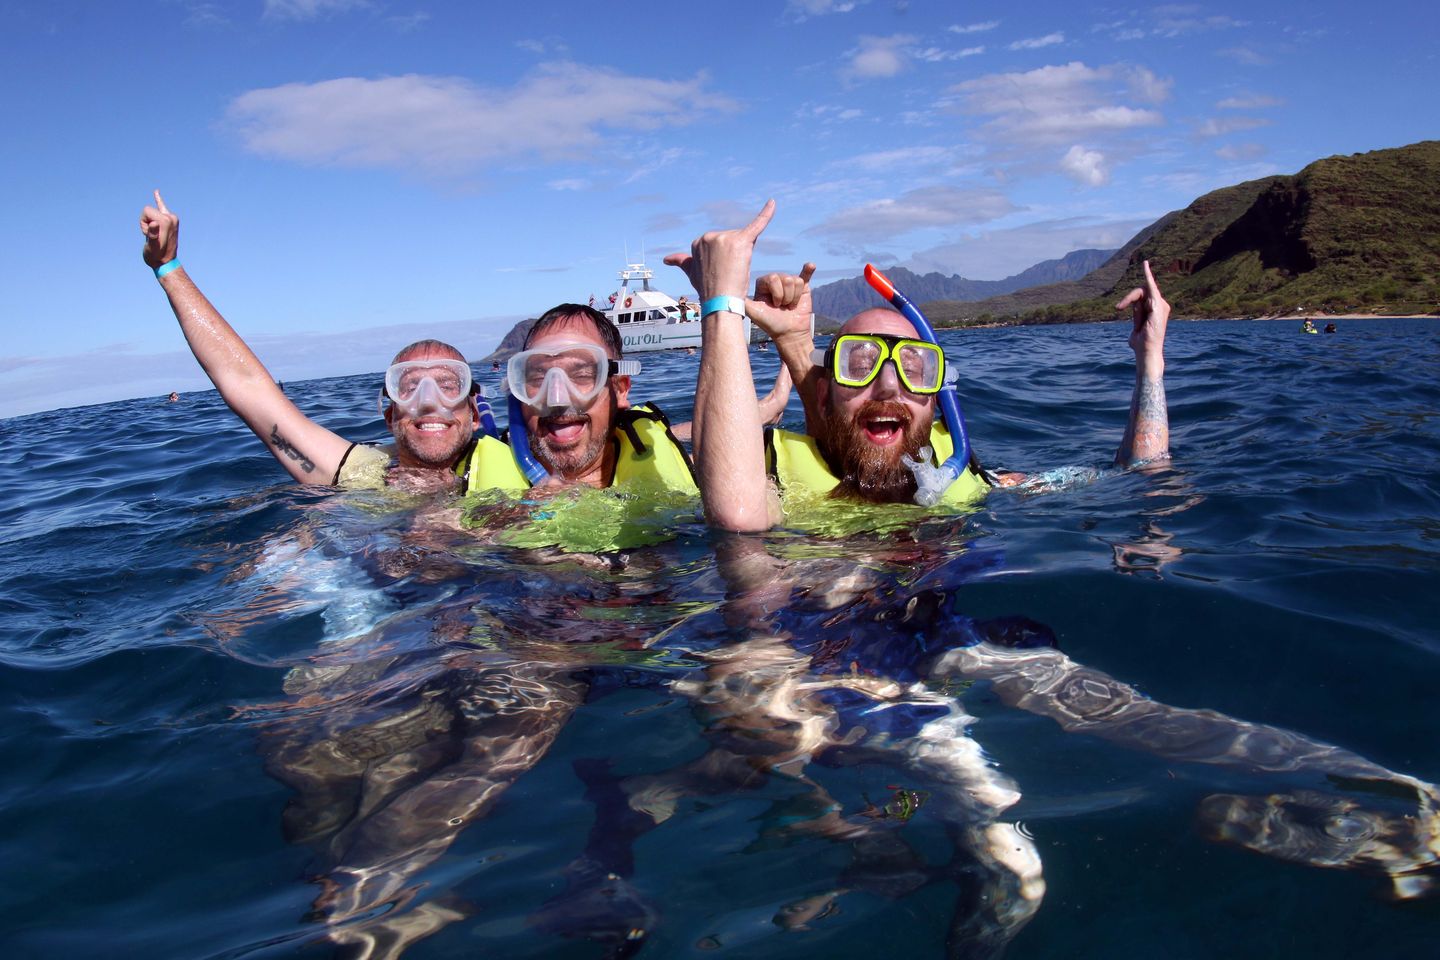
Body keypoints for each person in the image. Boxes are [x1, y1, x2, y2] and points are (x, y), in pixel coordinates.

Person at [671, 201, 1170, 531]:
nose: (889, 385)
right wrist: (723, 305)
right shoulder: (773, 479)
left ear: (935, 399)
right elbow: (737, 519)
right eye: (859, 362)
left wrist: (1150, 362)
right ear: (824, 392)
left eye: (916, 368)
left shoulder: (965, 478)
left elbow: (1139, 476)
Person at [141, 191, 485, 494]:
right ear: (389, 414)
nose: (430, 401)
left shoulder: (521, 477)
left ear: (475, 413)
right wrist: (168, 269)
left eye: (448, 384)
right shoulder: (352, 471)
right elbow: (246, 386)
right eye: (409, 386)